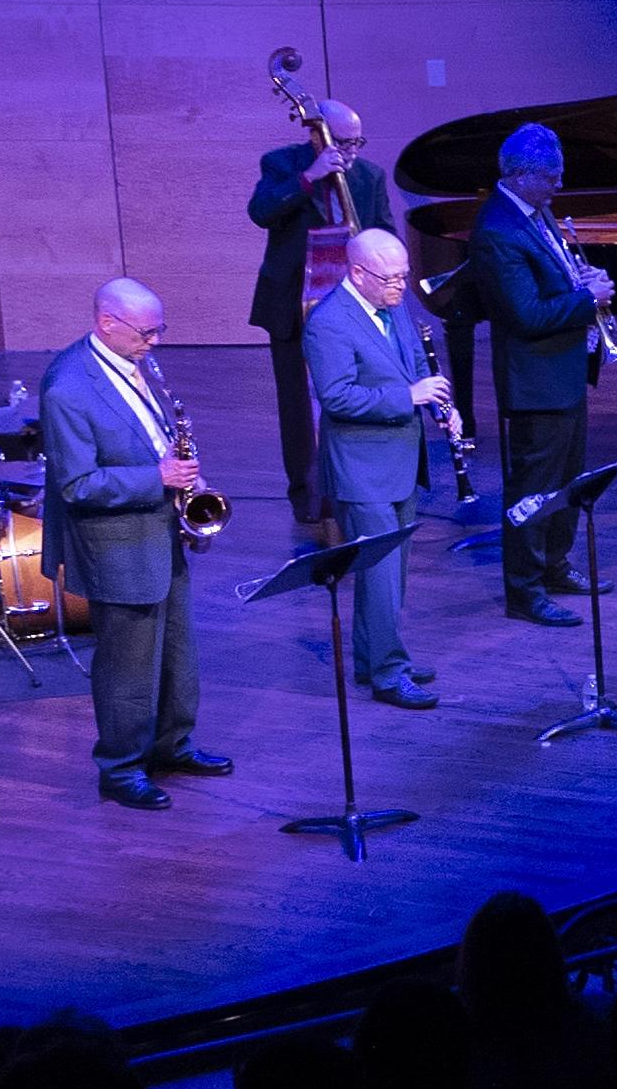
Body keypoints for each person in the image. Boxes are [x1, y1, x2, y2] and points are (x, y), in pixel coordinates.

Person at [39, 278, 231, 813]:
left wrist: (182, 480)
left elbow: (147, 437)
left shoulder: (129, 363)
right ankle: (120, 768)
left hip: (157, 532)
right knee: (127, 666)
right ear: (107, 323)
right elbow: (78, 486)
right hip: (116, 546)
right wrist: (160, 476)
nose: (154, 342)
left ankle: (171, 745)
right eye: (146, 333)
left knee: (176, 653)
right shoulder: (68, 388)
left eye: (158, 330)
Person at [303, 228, 452, 709]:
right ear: (358, 272)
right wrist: (408, 397)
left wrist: (439, 405)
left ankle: (375, 657)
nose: (401, 286)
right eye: (391, 278)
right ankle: (389, 674)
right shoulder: (328, 323)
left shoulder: (393, 305)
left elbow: (412, 366)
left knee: (389, 571)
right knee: (382, 570)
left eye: (404, 276)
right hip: (361, 468)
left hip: (401, 460)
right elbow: (337, 396)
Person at [248, 97, 400, 545]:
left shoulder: (369, 176)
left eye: (357, 142)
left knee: (356, 393)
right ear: (316, 135)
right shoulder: (281, 164)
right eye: (343, 141)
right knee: (299, 406)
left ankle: (358, 490)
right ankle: (308, 499)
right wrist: (308, 181)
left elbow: (385, 231)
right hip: (293, 302)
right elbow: (261, 212)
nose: (351, 151)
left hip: (351, 303)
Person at [470, 124, 606, 626]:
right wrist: (587, 299)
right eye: (551, 176)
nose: (558, 185)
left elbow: (554, 284)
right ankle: (523, 592)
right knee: (533, 492)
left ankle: (554, 566)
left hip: (562, 373)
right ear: (522, 175)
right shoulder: (497, 232)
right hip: (535, 382)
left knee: (567, 482)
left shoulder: (534, 209)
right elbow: (526, 316)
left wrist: (581, 281)